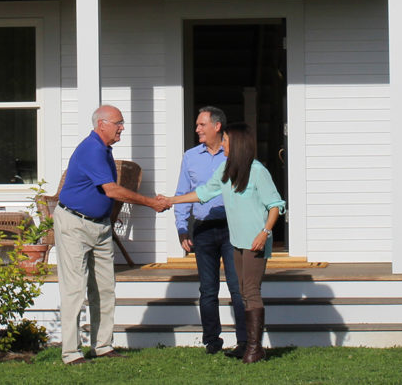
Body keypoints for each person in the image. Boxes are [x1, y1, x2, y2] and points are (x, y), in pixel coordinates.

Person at [55, 105, 171, 365]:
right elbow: (112, 190)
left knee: (105, 288)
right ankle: (71, 352)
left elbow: (107, 193)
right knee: (74, 289)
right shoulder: (92, 149)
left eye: (122, 122)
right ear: (102, 124)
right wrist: (152, 203)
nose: (122, 127)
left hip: (100, 226)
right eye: (118, 123)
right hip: (74, 224)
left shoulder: (105, 149)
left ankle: (103, 346)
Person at [169, 122, 285, 364]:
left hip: (255, 241)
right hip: (237, 241)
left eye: (225, 141)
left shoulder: (258, 171)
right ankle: (252, 347)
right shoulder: (225, 168)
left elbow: (276, 205)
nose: (222, 144)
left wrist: (264, 232)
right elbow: (203, 193)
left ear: (237, 144)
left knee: (251, 292)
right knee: (243, 292)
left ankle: (254, 348)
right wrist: (171, 200)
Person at [174, 106, 247, 356]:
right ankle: (212, 342)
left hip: (231, 228)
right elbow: (182, 193)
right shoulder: (190, 156)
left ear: (217, 126)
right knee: (208, 289)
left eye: (201, 125)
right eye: (197, 125)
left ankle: (245, 341)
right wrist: (182, 228)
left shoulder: (234, 155)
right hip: (203, 229)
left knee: (237, 288)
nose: (197, 129)